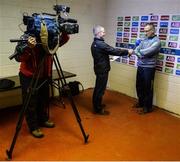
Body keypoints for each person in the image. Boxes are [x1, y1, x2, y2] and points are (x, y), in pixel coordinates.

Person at [14, 32, 69, 138]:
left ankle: (43, 119)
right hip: (29, 76)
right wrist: (29, 47)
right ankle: (33, 126)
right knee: (30, 102)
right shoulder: (27, 37)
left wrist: (65, 31)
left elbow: (62, 41)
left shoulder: (50, 38)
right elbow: (18, 58)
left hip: (44, 75)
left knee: (43, 99)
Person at [91, 25, 133, 115]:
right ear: (98, 33)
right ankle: (97, 109)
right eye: (103, 32)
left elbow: (104, 53)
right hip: (102, 70)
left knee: (99, 88)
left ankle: (97, 105)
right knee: (100, 89)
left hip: (99, 68)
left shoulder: (95, 43)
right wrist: (127, 51)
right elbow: (114, 50)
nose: (105, 33)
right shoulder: (100, 44)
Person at [133, 23, 161, 114]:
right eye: (144, 30)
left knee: (147, 88)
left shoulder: (157, 41)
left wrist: (139, 53)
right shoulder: (144, 39)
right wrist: (139, 53)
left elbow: (146, 52)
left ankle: (147, 107)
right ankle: (141, 103)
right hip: (140, 66)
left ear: (152, 30)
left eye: (147, 31)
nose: (145, 33)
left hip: (149, 68)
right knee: (139, 85)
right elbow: (136, 49)